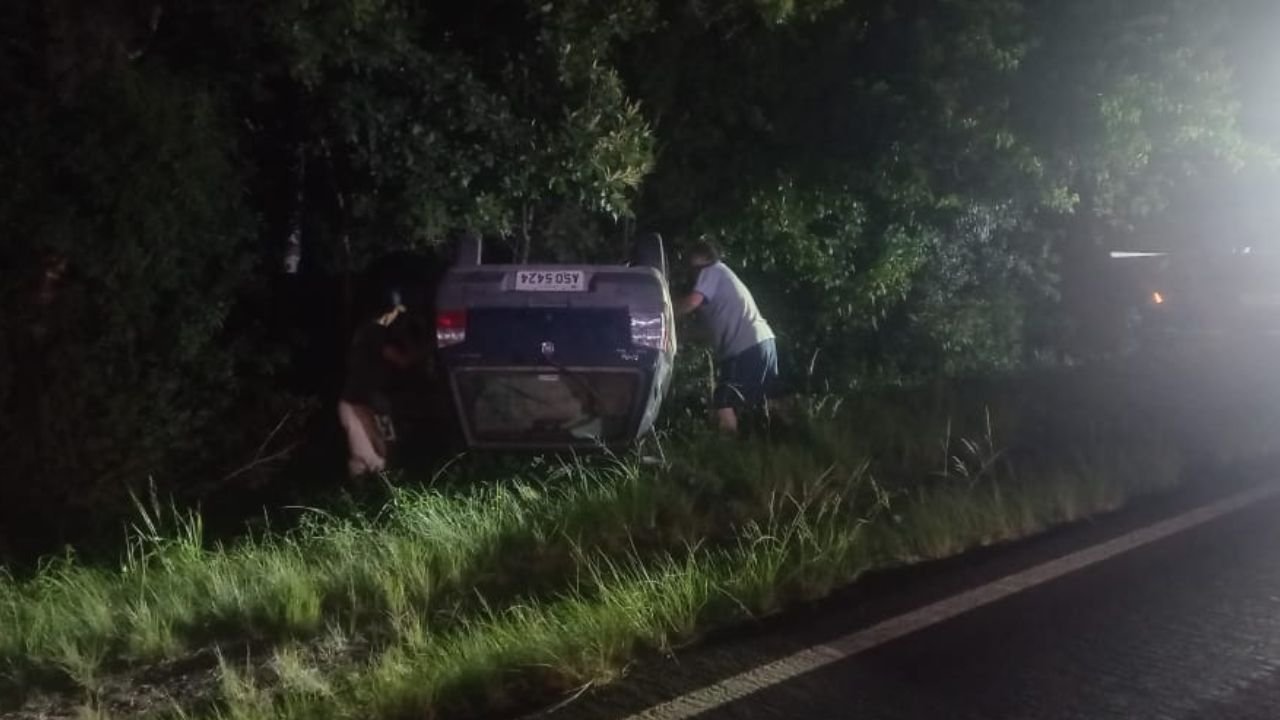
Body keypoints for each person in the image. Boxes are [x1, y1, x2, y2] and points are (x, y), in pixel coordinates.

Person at [677, 239, 778, 432]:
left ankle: (725, 450)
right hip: (763, 344)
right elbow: (706, 331)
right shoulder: (719, 284)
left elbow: (691, 302)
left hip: (745, 348)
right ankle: (754, 450)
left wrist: (664, 312)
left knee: (723, 403)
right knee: (748, 407)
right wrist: (678, 337)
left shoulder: (712, 271)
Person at [337, 290, 428, 476]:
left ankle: (362, 494)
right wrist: (426, 347)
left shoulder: (363, 330)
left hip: (352, 399)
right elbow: (403, 360)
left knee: (361, 457)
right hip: (366, 400)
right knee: (383, 451)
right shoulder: (376, 333)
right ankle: (387, 487)